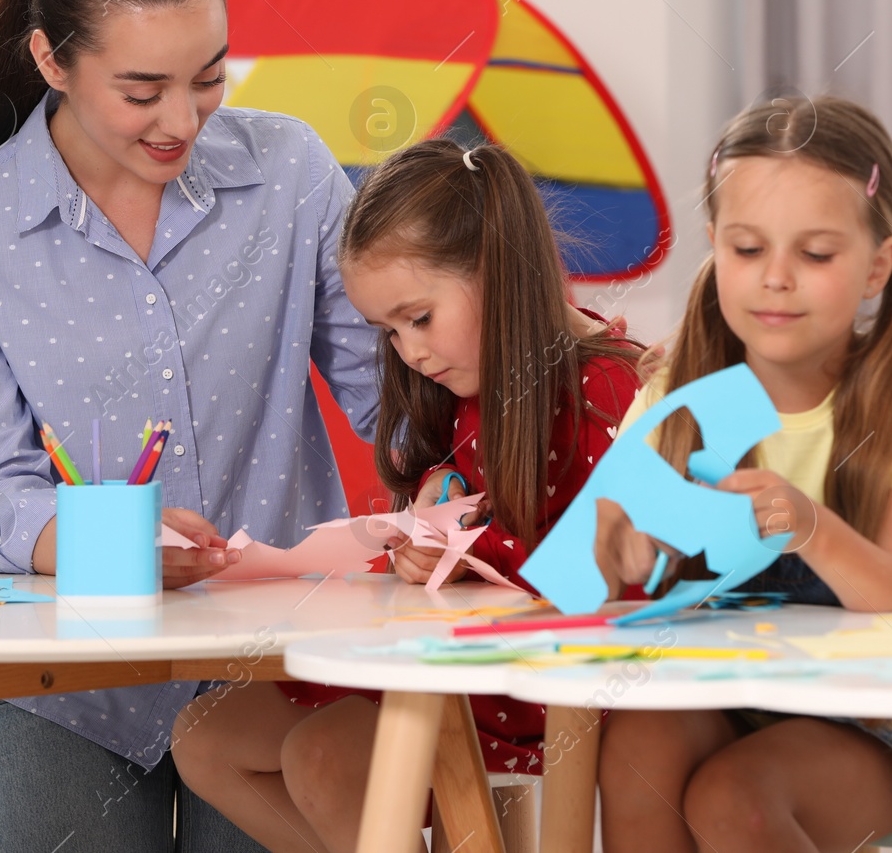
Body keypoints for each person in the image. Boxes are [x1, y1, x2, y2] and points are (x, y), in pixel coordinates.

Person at [0, 0, 378, 852]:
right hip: (71, 683)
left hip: (273, 658)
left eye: (208, 77)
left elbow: (389, 390)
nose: (182, 118)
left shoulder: (289, 171)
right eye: (142, 88)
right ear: (50, 61)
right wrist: (112, 547)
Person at [171, 137, 642, 851]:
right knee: (205, 735)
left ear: (500, 268)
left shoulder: (607, 392)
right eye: (388, 330)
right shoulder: (461, 379)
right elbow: (446, 499)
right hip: (444, 660)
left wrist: (465, 552)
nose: (409, 351)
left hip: (538, 685)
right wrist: (422, 529)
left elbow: (602, 582)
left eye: (418, 318)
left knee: (324, 759)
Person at [595, 95, 892, 851]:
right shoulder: (676, 394)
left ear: (877, 267)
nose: (776, 279)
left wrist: (812, 527)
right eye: (748, 249)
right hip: (715, 696)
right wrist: (620, 544)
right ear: (714, 249)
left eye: (816, 254)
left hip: (872, 725)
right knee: (636, 749)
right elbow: (601, 561)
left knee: (736, 799)